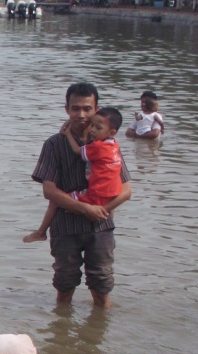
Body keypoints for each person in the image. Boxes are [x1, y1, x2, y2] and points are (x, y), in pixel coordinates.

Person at [30, 82, 133, 309]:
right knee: (64, 288)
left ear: (97, 109)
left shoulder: (109, 144)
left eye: (87, 108)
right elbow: (49, 191)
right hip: (65, 228)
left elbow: (127, 190)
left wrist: (101, 211)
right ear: (66, 109)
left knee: (101, 287)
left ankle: (97, 338)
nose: (81, 114)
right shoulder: (55, 144)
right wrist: (86, 208)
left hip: (100, 227)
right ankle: (62, 338)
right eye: (75, 108)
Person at [24, 107, 124, 244]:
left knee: (56, 201)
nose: (93, 130)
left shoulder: (97, 147)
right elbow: (126, 191)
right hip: (110, 196)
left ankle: (41, 232)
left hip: (94, 195)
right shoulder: (114, 146)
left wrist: (68, 133)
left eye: (97, 128)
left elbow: (77, 150)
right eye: (93, 126)